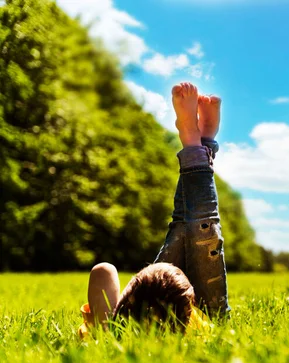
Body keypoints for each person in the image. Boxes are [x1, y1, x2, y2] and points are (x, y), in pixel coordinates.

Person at [78, 83, 229, 337]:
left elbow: (103, 271)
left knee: (190, 225)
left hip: (144, 304)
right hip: (171, 305)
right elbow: (102, 271)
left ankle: (198, 143)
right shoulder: (204, 335)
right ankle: (198, 144)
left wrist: (110, 324)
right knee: (195, 227)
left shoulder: (113, 336)